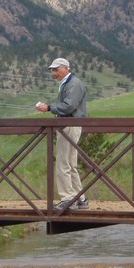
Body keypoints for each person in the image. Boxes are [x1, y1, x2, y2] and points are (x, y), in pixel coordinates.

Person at [35, 57, 88, 209]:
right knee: (70, 163)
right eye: (52, 70)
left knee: (63, 163)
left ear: (66, 68)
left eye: (56, 69)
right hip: (71, 125)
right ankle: (80, 198)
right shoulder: (70, 83)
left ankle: (67, 199)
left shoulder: (73, 83)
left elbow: (69, 106)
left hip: (69, 125)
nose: (53, 73)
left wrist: (49, 108)